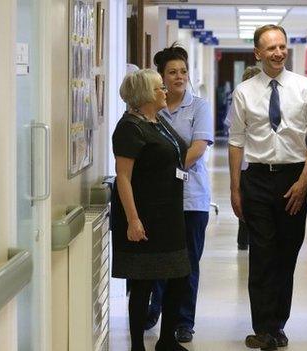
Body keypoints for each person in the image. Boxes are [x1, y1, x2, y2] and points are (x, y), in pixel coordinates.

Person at [228, 25, 307, 350]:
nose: (278, 53)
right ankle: (264, 328)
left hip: (293, 178)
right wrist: (234, 189)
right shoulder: (244, 92)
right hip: (256, 179)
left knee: (286, 255)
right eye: (271, 48)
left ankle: (278, 324)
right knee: (262, 255)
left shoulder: (304, 88)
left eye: (282, 46)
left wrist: (303, 181)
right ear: (257, 53)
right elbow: (236, 142)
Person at [111, 68, 190, 351]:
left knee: (180, 276)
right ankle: (137, 346)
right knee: (143, 283)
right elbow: (123, 177)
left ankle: (166, 339)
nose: (165, 91)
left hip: (168, 215)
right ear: (145, 94)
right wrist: (133, 220)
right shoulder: (129, 127)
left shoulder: (157, 121)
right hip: (144, 215)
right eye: (160, 88)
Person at [143, 43, 214, 343]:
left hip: (192, 199)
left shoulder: (199, 106)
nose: (179, 76)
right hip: (160, 200)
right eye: (172, 72)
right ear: (161, 77)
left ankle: (184, 320)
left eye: (183, 71)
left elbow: (197, 149)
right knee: (159, 258)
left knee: (187, 262)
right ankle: (155, 307)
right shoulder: (151, 109)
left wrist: (163, 171)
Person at [223, 65, 262, 251]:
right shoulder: (239, 102)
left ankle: (249, 239)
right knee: (244, 202)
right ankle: (244, 239)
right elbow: (233, 133)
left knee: (252, 204)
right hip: (245, 162)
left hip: (256, 162)